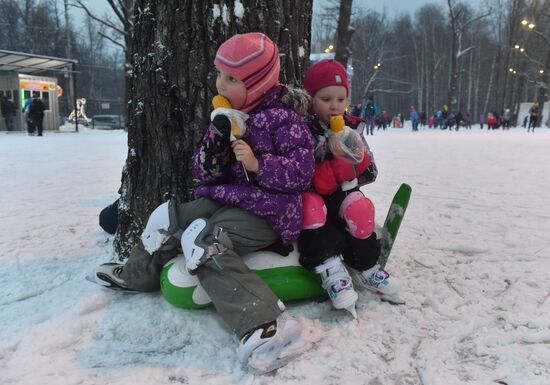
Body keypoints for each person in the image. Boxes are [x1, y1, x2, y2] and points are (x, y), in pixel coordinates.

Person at [90, 32, 316, 374]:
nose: (220, 85)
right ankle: (136, 274)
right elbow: (204, 173)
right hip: (228, 199)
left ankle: (267, 322)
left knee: (205, 242)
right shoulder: (229, 117)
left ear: (256, 83)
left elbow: (302, 173)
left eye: (231, 78)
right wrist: (216, 141)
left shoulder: (285, 119)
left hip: (270, 211)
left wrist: (258, 165)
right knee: (168, 218)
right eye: (219, 75)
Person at [298, 59, 402, 316]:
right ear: (311, 99)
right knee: (310, 210)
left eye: (340, 98)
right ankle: (331, 271)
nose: (334, 106)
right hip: (315, 201)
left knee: (360, 209)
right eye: (326, 99)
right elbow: (295, 172)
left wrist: (356, 166)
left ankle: (366, 266)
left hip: (344, 196)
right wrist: (322, 173)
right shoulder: (303, 129)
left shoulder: (352, 127)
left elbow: (371, 171)